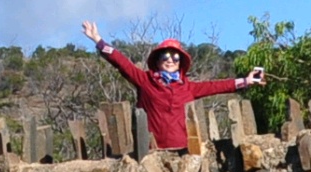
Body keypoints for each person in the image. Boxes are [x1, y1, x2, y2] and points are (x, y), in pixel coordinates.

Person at [82, 23, 266, 153]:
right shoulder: (145, 80)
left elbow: (216, 86)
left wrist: (246, 81)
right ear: (158, 60)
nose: (170, 60)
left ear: (180, 63)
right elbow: (122, 63)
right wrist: (99, 41)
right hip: (152, 151)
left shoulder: (188, 88)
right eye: (166, 56)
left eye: (175, 57)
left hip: (183, 151)